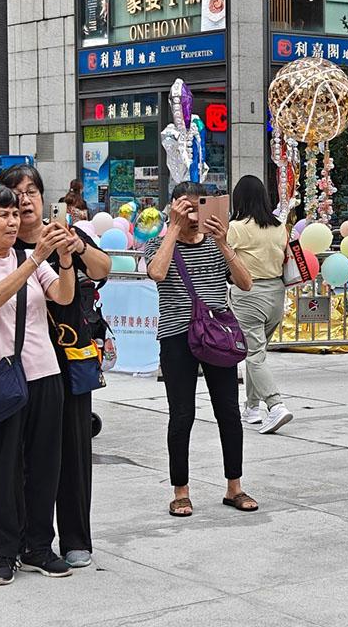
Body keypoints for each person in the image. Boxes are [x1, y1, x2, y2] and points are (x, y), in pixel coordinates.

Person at [0, 182, 77, 586]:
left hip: (44, 374)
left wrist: (62, 260)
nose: (12, 221)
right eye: (2, 214)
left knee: (45, 467)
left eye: (14, 214)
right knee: (2, 470)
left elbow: (61, 295)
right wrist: (34, 259)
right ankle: (5, 552)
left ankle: (39, 546)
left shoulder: (30, 258)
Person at [0, 164, 110, 569]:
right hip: (20, 361)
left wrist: (76, 248)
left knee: (75, 450)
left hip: (69, 354)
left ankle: (77, 537)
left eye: (32, 191)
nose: (24, 200)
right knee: (26, 454)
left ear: (44, 198)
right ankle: (29, 541)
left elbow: (103, 270)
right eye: (15, 192)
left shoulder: (65, 235)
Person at [144, 182, 256, 517]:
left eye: (198, 207)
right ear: (172, 208)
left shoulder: (216, 244)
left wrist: (222, 241)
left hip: (217, 335)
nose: (193, 214)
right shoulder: (157, 245)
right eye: (185, 207)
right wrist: (173, 230)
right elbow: (157, 272)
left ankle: (234, 486)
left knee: (228, 412)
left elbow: (246, 282)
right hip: (177, 337)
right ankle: (180, 490)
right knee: (182, 414)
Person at [226, 175, 292, 435]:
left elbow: (222, 256)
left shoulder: (237, 227)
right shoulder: (279, 227)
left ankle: (275, 405)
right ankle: (253, 406)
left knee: (254, 355)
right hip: (276, 293)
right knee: (258, 352)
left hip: (248, 294)